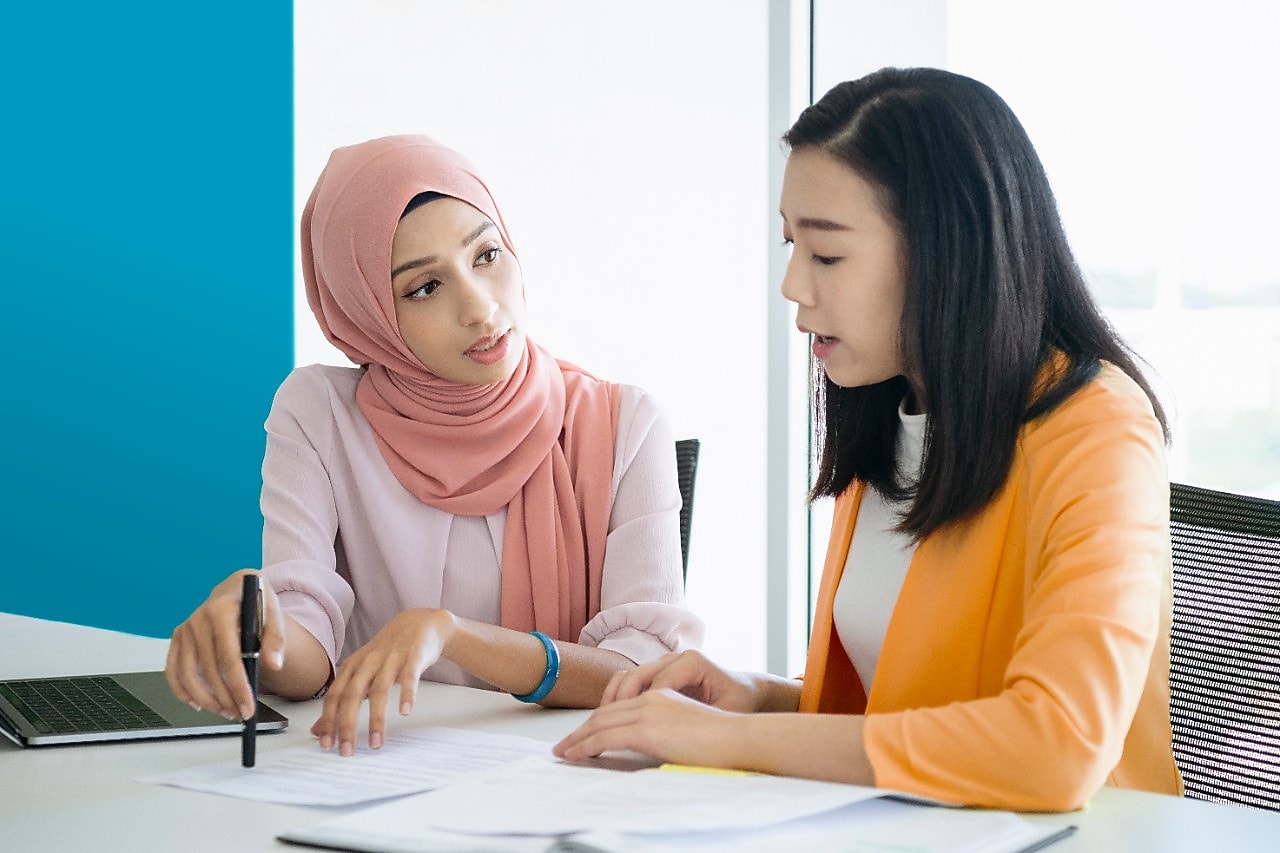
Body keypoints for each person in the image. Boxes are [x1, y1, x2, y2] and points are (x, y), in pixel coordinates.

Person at [553, 67, 1183, 812]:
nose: (793, 285)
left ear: (949, 251)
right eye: (791, 245)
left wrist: (732, 740)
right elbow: (907, 713)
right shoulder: (891, 408)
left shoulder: (1098, 430)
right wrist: (758, 697)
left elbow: (1054, 747)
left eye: (826, 254)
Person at [165, 135, 704, 757]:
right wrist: (256, 619)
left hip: (559, 768)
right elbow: (306, 659)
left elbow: (644, 673)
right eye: (424, 287)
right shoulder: (319, 414)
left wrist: (452, 637)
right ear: (367, 314)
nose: (480, 308)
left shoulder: (624, 423)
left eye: (487, 254)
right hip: (374, 764)